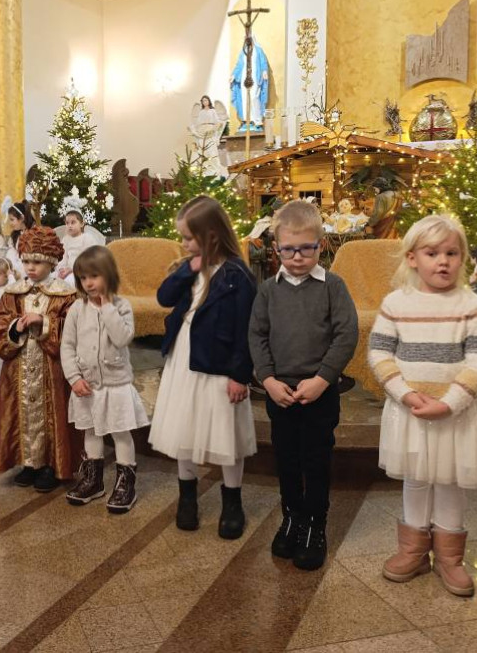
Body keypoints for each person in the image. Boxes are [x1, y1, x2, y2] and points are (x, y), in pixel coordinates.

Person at [368, 215, 477, 597]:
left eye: (452, 253)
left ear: (462, 258)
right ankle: (412, 550)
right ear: (412, 258)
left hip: (453, 415)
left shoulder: (471, 305)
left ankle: (449, 558)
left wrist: (451, 402)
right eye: (432, 253)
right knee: (417, 477)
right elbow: (379, 353)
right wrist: (405, 394)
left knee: (450, 481)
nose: (443, 261)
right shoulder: (396, 303)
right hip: (410, 412)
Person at [249, 200, 359, 569]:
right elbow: (257, 336)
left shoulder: (333, 287)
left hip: (319, 394)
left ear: (320, 245)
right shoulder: (267, 290)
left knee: (315, 460)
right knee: (287, 459)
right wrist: (267, 379)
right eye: (288, 249)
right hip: (280, 394)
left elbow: (346, 334)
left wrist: (323, 378)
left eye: (306, 248)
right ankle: (292, 518)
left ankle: (316, 524)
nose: (297, 257)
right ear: (276, 248)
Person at [149, 195, 257, 540]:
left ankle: (232, 502)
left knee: (226, 435)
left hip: (220, 367)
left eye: (188, 237)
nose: (183, 244)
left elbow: (247, 331)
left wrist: (240, 376)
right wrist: (187, 269)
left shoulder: (237, 275)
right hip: (185, 360)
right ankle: (187, 497)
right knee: (185, 427)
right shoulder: (190, 269)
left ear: (210, 235)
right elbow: (164, 298)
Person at [0, 225, 79, 492]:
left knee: (53, 415)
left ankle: (51, 463)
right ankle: (27, 462)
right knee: (21, 412)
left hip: (52, 370)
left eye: (37, 262)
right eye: (26, 261)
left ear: (51, 262)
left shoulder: (65, 294)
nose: (30, 267)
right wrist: (14, 327)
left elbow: (71, 329)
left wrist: (44, 323)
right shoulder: (13, 293)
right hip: (18, 368)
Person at [62, 245, 149, 513]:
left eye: (94, 276)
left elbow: (122, 337)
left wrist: (107, 307)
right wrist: (74, 378)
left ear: (109, 276)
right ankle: (93, 479)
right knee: (91, 430)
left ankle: (125, 483)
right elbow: (67, 346)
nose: (88, 283)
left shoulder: (122, 306)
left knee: (120, 432)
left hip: (116, 385)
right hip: (86, 384)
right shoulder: (77, 309)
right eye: (83, 277)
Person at [57, 208, 101, 287]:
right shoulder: (66, 239)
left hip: (82, 271)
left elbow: (90, 259)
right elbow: (63, 257)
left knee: (70, 282)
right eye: (67, 223)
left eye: (73, 222)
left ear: (81, 224)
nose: (69, 226)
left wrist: (72, 270)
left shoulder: (87, 238)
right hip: (67, 270)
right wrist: (61, 269)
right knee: (54, 279)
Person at [4, 199, 34, 276]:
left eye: (12, 220)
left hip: (27, 268)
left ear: (22, 218)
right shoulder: (15, 235)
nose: (10, 223)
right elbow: (11, 254)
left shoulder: (33, 234)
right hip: (14, 267)